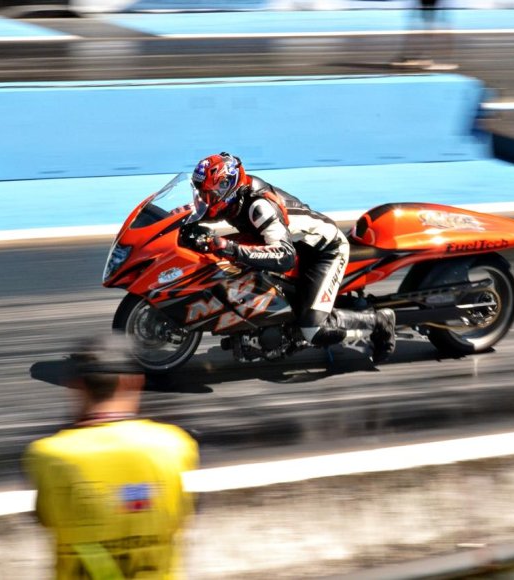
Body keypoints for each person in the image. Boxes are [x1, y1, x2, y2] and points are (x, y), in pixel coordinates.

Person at [188, 152, 396, 360]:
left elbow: (284, 255)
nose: (205, 199)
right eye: (201, 193)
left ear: (227, 187)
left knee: (313, 329)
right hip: (293, 246)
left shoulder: (259, 208)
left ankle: (378, 321)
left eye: (208, 194)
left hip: (322, 252)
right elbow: (194, 213)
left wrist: (232, 248)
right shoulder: (231, 199)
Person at [24, 337, 199, 579]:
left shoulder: (47, 456)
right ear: (134, 382)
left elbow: (47, 518)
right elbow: (184, 515)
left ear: (76, 386)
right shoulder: (175, 446)